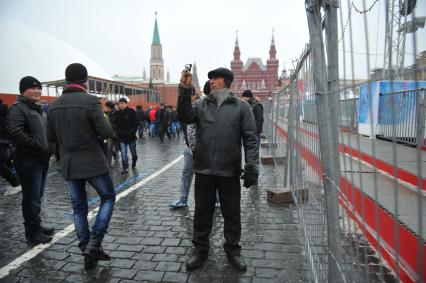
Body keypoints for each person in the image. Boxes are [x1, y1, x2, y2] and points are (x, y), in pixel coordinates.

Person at [177, 67, 259, 271]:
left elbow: (250, 138)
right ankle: (200, 250)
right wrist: (185, 90)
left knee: (232, 214)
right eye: (210, 78)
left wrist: (251, 166)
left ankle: (233, 250)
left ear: (226, 82)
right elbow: (185, 116)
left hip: (229, 170)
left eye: (215, 78)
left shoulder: (241, 107)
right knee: (202, 213)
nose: (211, 81)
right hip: (204, 169)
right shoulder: (201, 104)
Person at [47, 63, 115, 269]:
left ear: (66, 80)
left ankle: (86, 247)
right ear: (85, 81)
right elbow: (107, 132)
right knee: (108, 197)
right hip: (92, 161)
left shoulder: (53, 105)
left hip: (68, 163)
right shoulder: (90, 101)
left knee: (79, 208)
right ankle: (94, 242)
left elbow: (50, 137)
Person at [7, 76, 54, 244]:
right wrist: (37, 146)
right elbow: (15, 132)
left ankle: (37, 225)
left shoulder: (37, 108)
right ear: (23, 90)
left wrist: (49, 148)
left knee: (38, 196)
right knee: (31, 198)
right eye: (33, 88)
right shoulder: (18, 109)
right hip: (28, 160)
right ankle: (32, 232)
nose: (37, 91)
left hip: (41, 159)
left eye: (39, 88)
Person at [0, 102, 21, 196]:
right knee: (6, 163)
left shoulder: (3, 109)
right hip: (5, 141)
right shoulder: (5, 109)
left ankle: (16, 183)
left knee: (2, 163)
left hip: (3, 141)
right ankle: (17, 182)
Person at [115, 98, 138, 173]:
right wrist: (118, 132)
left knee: (133, 153)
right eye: (119, 104)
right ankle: (125, 167)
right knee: (123, 154)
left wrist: (133, 131)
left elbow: (136, 122)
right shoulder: (117, 113)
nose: (120, 105)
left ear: (126, 103)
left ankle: (134, 162)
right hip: (122, 137)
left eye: (122, 103)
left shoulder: (131, 111)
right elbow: (116, 124)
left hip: (131, 136)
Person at [104, 101, 118, 167]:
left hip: (116, 133)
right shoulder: (106, 113)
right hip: (110, 134)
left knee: (120, 148)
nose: (104, 108)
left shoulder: (116, 113)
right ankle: (108, 163)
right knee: (109, 149)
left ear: (109, 107)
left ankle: (124, 163)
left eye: (105, 107)